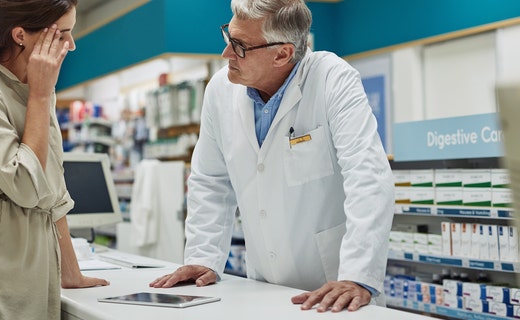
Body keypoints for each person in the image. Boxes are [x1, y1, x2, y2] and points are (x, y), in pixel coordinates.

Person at [150, 0, 395, 313]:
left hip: (336, 289)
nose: (226, 54)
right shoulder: (220, 91)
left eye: (239, 46)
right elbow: (210, 181)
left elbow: (369, 177)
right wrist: (203, 257)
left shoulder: (332, 78)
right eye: (228, 37)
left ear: (282, 53)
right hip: (263, 287)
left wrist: (358, 275)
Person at [0, 1, 109, 319]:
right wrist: (39, 96)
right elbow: (25, 184)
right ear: (21, 35)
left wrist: (70, 273)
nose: (71, 44)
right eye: (63, 34)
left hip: (30, 275)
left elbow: (51, 191)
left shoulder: (39, 88)